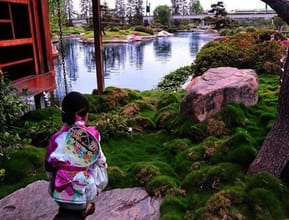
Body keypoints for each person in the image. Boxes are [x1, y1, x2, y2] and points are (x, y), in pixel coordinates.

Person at [45, 91, 108, 219]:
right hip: (85, 193)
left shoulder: (55, 139)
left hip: (59, 193)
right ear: (85, 115)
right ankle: (86, 206)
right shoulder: (91, 135)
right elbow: (101, 162)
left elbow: (48, 170)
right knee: (99, 163)